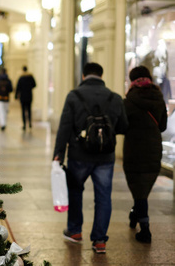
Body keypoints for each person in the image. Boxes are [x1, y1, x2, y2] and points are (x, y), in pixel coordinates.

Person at [53, 62, 128, 254]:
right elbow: (123, 127)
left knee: (76, 191)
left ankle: (75, 231)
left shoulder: (74, 96)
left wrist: (58, 154)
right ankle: (100, 240)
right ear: (102, 76)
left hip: (79, 154)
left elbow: (65, 127)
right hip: (106, 156)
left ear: (84, 76)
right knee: (103, 197)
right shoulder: (115, 97)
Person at [123, 66, 167, 243]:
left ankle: (145, 229)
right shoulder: (159, 98)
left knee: (138, 191)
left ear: (132, 80)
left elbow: (122, 125)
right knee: (142, 189)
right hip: (153, 149)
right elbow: (162, 126)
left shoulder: (128, 101)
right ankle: (135, 215)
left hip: (134, 149)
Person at [15, 66, 36, 130]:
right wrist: (29, 88)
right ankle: (29, 123)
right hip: (29, 95)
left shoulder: (21, 78)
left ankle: (24, 124)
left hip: (23, 96)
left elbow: (18, 87)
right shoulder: (31, 77)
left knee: (23, 110)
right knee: (29, 110)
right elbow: (34, 85)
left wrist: (16, 95)